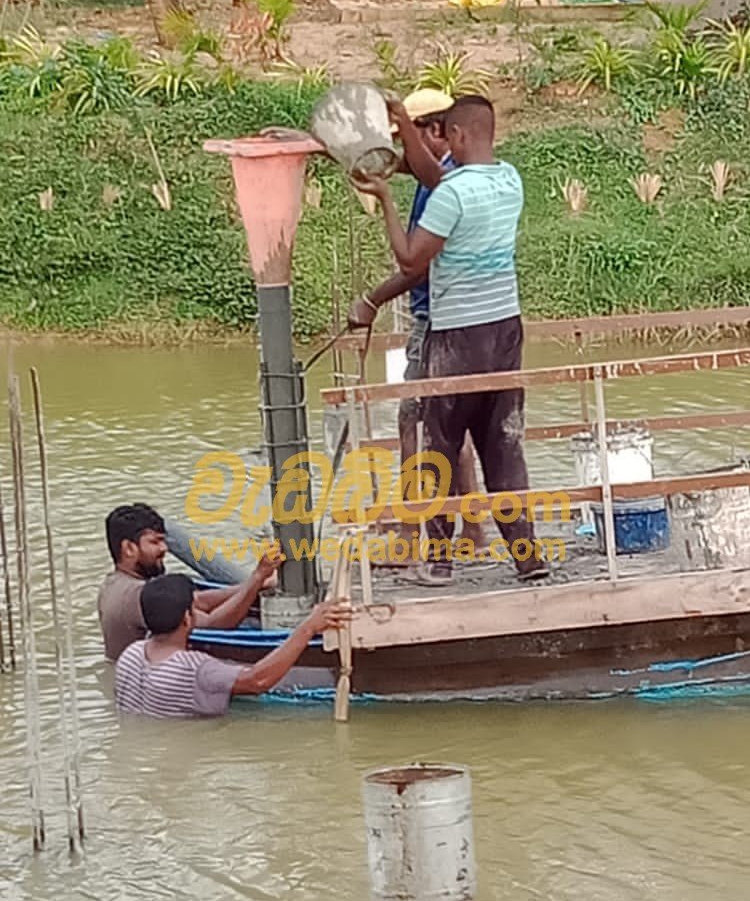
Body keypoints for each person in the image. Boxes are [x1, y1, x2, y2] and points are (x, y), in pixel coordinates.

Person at [355, 95, 548, 583]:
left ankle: (439, 562)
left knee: (438, 445)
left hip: (457, 335)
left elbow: (410, 260)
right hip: (505, 330)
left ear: (455, 135)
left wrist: (386, 200)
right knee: (503, 444)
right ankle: (528, 558)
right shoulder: (508, 180)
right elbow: (435, 176)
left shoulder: (450, 195)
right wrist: (401, 120)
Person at [346, 88, 486, 558]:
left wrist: (369, 300)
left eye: (410, 133)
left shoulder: (446, 186)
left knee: (413, 424)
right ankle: (472, 528)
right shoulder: (446, 174)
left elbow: (416, 265)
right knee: (454, 428)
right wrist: (315, 143)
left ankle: (412, 535)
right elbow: (390, 162)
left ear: (435, 132)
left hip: (436, 318)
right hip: (462, 321)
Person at [114, 573, 351, 719]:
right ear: (187, 619)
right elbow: (257, 681)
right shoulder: (195, 669)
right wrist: (308, 628)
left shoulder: (130, 654)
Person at [98, 503, 282, 663]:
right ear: (129, 548)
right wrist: (257, 578)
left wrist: (257, 582)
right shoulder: (138, 596)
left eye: (163, 541)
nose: (164, 549)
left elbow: (198, 600)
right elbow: (215, 625)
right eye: (155, 542)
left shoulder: (113, 583)